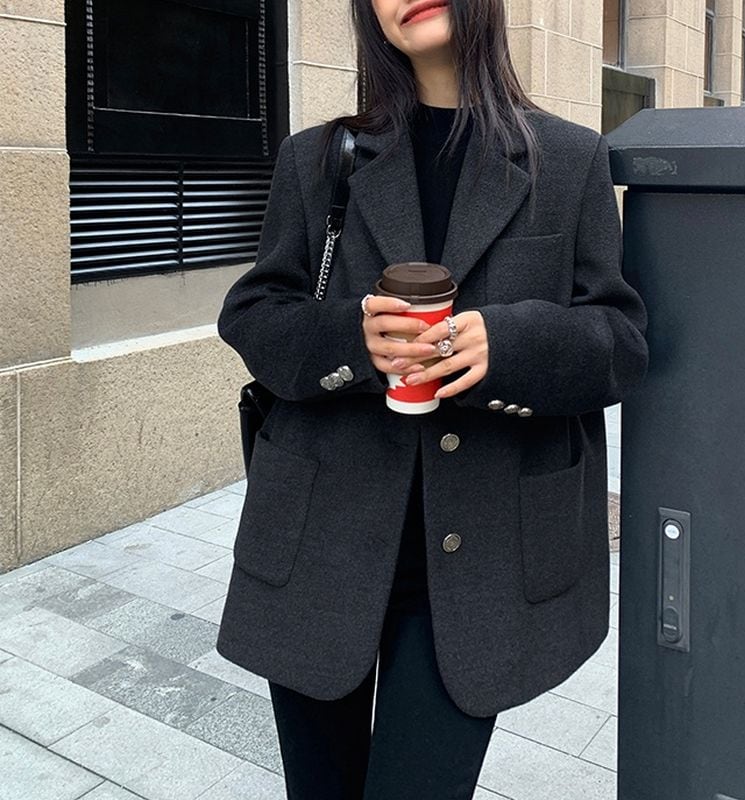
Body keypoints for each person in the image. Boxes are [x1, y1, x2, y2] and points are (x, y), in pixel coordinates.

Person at [214, 0, 649, 797]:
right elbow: (252, 315)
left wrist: (508, 345)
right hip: (322, 540)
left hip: (485, 557)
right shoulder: (320, 158)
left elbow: (620, 344)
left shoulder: (567, 159)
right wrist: (354, 336)